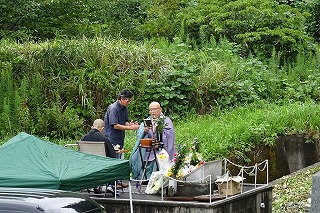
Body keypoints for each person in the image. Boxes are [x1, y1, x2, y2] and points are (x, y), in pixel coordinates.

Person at [129, 101, 176, 180]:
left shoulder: (166, 120)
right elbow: (139, 133)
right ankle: (142, 177)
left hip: (160, 148)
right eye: (150, 110)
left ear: (160, 109)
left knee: (158, 157)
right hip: (147, 148)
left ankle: (155, 179)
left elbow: (169, 135)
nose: (152, 112)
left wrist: (157, 130)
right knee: (134, 157)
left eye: (154, 109)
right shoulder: (147, 120)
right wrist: (145, 131)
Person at [81, 119, 118, 195]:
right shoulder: (103, 139)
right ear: (102, 129)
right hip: (101, 165)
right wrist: (115, 149)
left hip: (87, 164)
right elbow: (112, 154)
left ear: (92, 126)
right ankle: (110, 185)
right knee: (115, 162)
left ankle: (96, 185)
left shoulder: (84, 138)